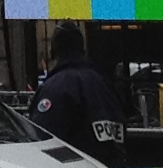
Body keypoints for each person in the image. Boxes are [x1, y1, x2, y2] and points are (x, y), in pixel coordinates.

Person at [30, 22, 129, 155]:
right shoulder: (103, 84)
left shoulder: (54, 88)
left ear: (53, 52)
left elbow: (41, 137)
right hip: (109, 164)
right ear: (83, 50)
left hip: (75, 164)